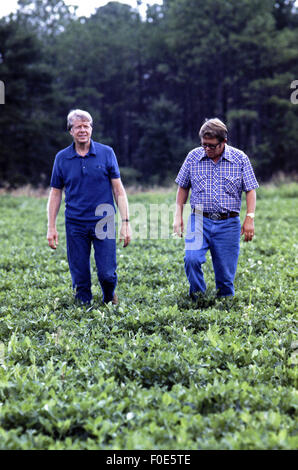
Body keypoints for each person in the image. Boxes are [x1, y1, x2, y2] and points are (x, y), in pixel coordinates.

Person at [47, 109, 131, 305]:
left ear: (91, 128)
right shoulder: (62, 158)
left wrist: (126, 222)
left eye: (86, 126)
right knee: (80, 275)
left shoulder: (106, 153)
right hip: (75, 223)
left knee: (107, 274)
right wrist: (51, 226)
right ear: (71, 131)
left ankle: (110, 299)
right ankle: (83, 315)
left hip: (104, 221)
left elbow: (119, 190)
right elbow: (55, 193)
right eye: (78, 127)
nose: (83, 130)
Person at [173, 118, 259, 299]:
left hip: (228, 223)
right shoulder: (193, 157)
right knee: (191, 259)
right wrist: (177, 216)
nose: (207, 149)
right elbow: (183, 187)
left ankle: (224, 309)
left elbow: (250, 190)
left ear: (224, 142)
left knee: (225, 276)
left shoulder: (240, 158)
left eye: (212, 146)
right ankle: (198, 298)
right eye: (204, 145)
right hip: (199, 219)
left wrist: (249, 217)